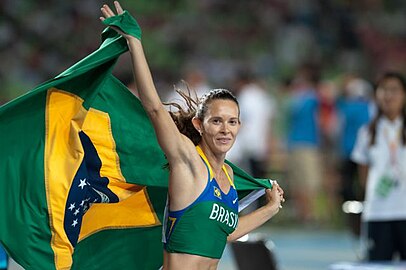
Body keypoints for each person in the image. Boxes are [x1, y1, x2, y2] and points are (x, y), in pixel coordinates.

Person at [100, 2, 285, 270]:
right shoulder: (187, 160)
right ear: (199, 124)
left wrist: (268, 208)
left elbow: (222, 234)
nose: (225, 129)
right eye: (217, 121)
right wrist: (134, 42)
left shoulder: (230, 178)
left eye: (232, 122)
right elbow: (154, 108)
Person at [351, 71, 406, 261]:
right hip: (378, 212)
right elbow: (363, 172)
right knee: (377, 266)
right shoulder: (367, 132)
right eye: (384, 90)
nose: (388, 96)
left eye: (394, 90)